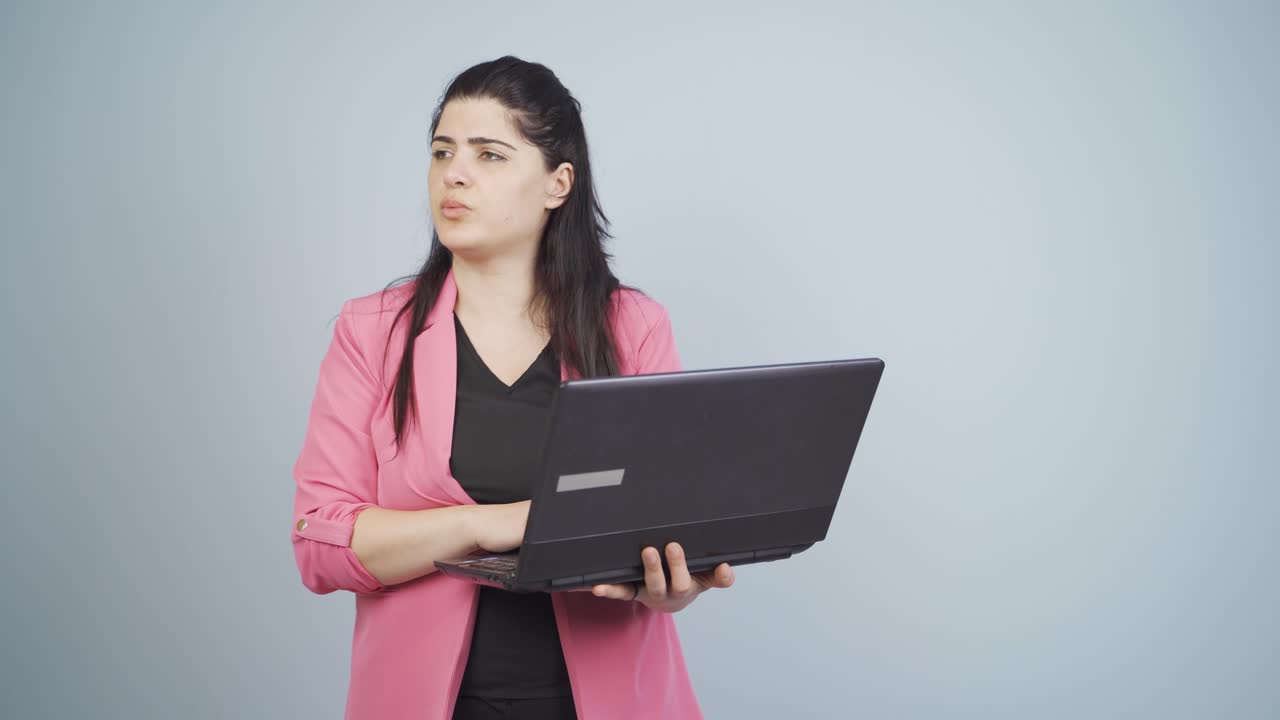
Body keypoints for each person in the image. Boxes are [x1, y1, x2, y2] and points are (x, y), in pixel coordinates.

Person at [291, 56, 734, 720]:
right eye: (442, 152)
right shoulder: (371, 332)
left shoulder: (634, 327)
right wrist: (494, 523)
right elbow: (320, 543)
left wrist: (669, 587)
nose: (455, 174)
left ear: (558, 184)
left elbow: (660, 520)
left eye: (490, 155)